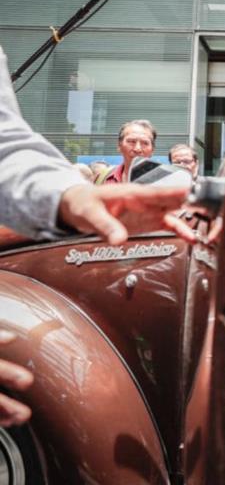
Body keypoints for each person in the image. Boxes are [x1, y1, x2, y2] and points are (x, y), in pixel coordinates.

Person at [0, 46, 195, 427]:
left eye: (145, 143)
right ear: (119, 143)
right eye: (131, 141)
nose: (138, 148)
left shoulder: (147, 182)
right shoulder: (102, 180)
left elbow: (6, 145)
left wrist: (64, 196)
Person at [102, 120, 157, 184]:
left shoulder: (165, 184)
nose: (137, 149)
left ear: (152, 150)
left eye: (145, 143)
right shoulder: (103, 178)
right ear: (119, 146)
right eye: (131, 141)